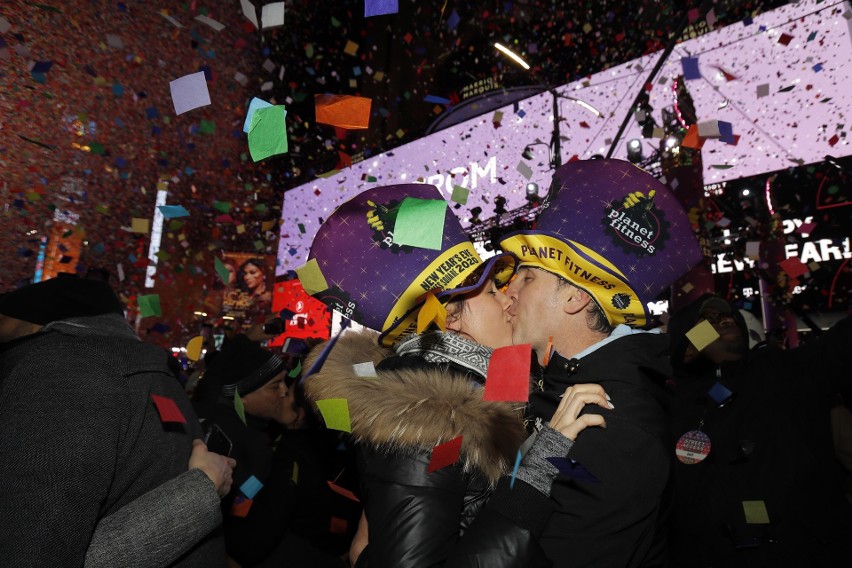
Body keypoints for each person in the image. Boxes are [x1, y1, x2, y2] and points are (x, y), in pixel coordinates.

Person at [300, 183, 611, 568]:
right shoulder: (426, 418)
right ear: (449, 317)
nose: (509, 297)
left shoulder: (481, 385)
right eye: (493, 292)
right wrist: (535, 475)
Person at [495, 158, 703, 566]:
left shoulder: (611, 423)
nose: (508, 292)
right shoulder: (555, 386)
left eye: (528, 277)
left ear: (575, 298)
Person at [0, 275, 231, 567]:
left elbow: (32, 554)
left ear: (36, 324)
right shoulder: (150, 372)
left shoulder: (64, 371)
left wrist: (198, 492)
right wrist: (200, 491)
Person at [666, 293, 852, 566]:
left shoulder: (783, 371)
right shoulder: (666, 407)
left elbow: (841, 345)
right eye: (709, 319)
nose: (726, 319)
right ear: (687, 344)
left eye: (729, 314)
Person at [192, 332, 351, 567]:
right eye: (275, 386)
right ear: (242, 397)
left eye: (286, 383)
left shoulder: (270, 439)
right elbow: (248, 538)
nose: (284, 392)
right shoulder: (229, 443)